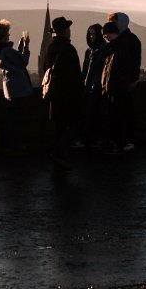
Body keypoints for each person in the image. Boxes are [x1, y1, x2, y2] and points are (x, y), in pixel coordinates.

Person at [42, 16, 82, 173]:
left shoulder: (50, 48)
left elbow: (46, 69)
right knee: (75, 124)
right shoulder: (69, 49)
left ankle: (59, 156)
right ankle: (59, 154)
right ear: (65, 31)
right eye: (68, 29)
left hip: (54, 95)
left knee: (60, 127)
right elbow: (75, 75)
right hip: (68, 94)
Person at [0, 19, 33, 153]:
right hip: (18, 89)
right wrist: (26, 46)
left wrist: (19, 48)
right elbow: (23, 61)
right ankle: (15, 147)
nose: (9, 35)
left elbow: (15, 61)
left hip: (10, 88)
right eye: (7, 32)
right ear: (3, 34)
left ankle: (9, 146)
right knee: (17, 121)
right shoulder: (7, 50)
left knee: (11, 120)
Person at [106, 11, 142, 152]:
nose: (112, 25)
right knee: (115, 113)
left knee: (125, 113)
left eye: (114, 22)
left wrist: (133, 80)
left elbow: (135, 62)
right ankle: (117, 140)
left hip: (124, 82)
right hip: (115, 83)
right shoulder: (118, 39)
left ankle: (127, 140)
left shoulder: (131, 40)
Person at [80, 23, 109, 148]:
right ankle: (91, 139)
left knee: (95, 115)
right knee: (90, 115)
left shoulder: (104, 49)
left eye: (94, 34)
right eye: (90, 34)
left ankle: (94, 139)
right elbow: (85, 70)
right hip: (89, 87)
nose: (91, 36)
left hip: (97, 88)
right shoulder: (89, 51)